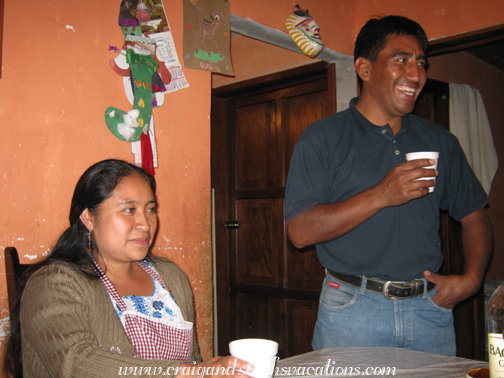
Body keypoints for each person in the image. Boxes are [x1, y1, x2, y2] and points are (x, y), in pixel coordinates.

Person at [285, 15, 492, 356]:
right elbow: (299, 231)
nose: (416, 74)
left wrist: (471, 279)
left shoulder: (441, 140)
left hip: (430, 310)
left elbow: (474, 214)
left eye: (421, 63)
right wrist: (382, 195)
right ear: (364, 69)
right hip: (352, 310)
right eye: (402, 60)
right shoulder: (323, 138)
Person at [4, 159, 250, 378]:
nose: (145, 223)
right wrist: (183, 373)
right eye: (129, 210)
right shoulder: (54, 283)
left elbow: (192, 361)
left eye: (150, 209)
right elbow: (75, 363)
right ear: (88, 217)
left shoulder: (171, 277)